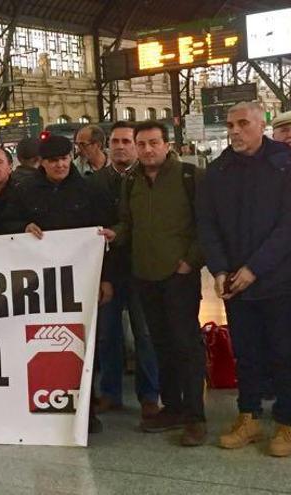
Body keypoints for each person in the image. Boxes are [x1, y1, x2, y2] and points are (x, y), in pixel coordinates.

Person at [4, 133, 115, 434]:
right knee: (47, 342)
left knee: (84, 344)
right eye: (54, 161)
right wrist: (22, 227)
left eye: (65, 159)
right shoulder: (25, 192)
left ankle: (86, 409)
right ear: (42, 162)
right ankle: (51, 405)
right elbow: (7, 226)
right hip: (41, 286)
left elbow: (105, 235)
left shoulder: (89, 190)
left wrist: (106, 278)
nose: (61, 165)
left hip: (82, 282)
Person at [197, 102, 291, 457]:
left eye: (243, 123)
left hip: (280, 279)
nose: (235, 131)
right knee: (246, 354)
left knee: (285, 352)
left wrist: (255, 268)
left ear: (261, 124)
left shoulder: (284, 163)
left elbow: (287, 226)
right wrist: (220, 269)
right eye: (230, 124)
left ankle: (287, 421)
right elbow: (207, 224)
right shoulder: (218, 170)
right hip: (235, 283)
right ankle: (248, 415)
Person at [105, 120, 206, 446]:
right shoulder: (132, 180)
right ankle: (173, 406)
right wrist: (114, 234)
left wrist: (191, 261)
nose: (147, 149)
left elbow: (206, 225)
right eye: (142, 144)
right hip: (145, 276)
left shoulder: (189, 177)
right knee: (160, 344)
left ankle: (195, 416)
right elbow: (128, 224)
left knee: (185, 345)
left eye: (153, 143)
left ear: (167, 144)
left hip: (179, 276)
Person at [89, 122, 160, 419]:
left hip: (142, 267)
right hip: (107, 270)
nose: (120, 146)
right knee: (107, 334)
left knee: (145, 333)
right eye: (115, 141)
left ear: (135, 145)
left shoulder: (148, 178)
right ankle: (110, 393)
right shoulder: (94, 183)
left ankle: (149, 395)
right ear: (107, 145)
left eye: (126, 141)